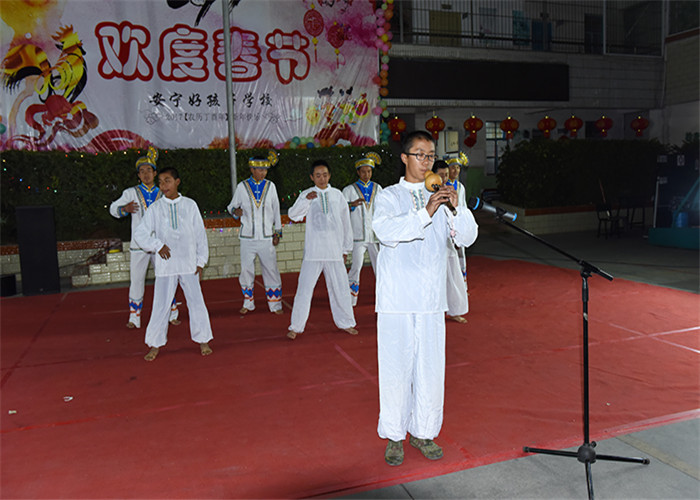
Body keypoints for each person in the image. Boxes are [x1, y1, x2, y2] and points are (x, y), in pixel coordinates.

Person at [372, 131, 478, 466]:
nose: (426, 161)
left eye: (431, 155)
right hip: (396, 301)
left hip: (431, 300)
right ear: (405, 158)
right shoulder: (389, 196)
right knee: (395, 369)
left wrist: (456, 209)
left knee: (430, 370)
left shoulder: (444, 195)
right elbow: (385, 232)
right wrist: (426, 212)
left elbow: (467, 238)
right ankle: (394, 435)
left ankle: (424, 431)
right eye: (420, 154)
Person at [133, 166, 213, 361]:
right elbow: (140, 234)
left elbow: (200, 235)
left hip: (189, 263)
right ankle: (154, 343)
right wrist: (157, 245)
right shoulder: (156, 208)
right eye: (160, 182)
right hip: (166, 265)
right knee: (161, 305)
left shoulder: (190, 205)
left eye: (167, 181)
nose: (163, 185)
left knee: (196, 302)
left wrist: (201, 261)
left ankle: (203, 339)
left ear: (177, 182)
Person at [109, 146, 179, 329]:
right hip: (138, 245)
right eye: (142, 171)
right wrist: (124, 209)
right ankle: (134, 317)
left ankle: (172, 313)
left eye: (149, 170)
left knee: (166, 277)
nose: (146, 174)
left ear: (155, 173)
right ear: (138, 175)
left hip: (160, 245)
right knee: (137, 280)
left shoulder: (164, 192)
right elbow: (113, 208)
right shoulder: (130, 193)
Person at [286, 160, 357, 340]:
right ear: (312, 177)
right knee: (304, 289)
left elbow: (345, 222)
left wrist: (346, 248)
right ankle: (296, 326)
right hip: (313, 251)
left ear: (329, 175)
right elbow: (293, 215)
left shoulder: (337, 195)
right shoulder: (307, 194)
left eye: (325, 175)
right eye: (318, 175)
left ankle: (347, 322)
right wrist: (305, 200)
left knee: (341, 289)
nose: (322, 179)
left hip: (334, 250)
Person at [227, 151, 284, 315]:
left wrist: (277, 232)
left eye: (265, 170)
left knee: (271, 269)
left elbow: (276, 210)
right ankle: (248, 302)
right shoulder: (242, 187)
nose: (263, 173)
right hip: (247, 238)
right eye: (260, 170)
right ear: (252, 169)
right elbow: (231, 206)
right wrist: (235, 212)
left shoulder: (271, 186)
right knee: (246, 270)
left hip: (267, 237)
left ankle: (275, 304)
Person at [342, 152, 383, 306]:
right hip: (358, 236)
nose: (367, 174)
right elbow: (340, 210)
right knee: (356, 266)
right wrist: (350, 205)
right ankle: (349, 298)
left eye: (369, 171)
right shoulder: (349, 190)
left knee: (380, 266)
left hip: (374, 236)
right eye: (364, 171)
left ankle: (384, 296)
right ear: (358, 172)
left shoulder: (378, 188)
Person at [444, 152, 470, 323]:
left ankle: (461, 292)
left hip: (457, 228)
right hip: (445, 231)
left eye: (457, 168)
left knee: (459, 261)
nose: (455, 171)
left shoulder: (460, 187)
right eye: (452, 168)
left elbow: (464, 208)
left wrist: (463, 227)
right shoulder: (440, 187)